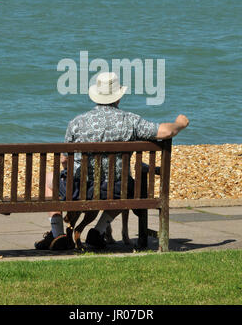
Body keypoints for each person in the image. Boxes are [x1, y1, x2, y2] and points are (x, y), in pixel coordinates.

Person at [35, 72, 189, 250]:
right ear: (118, 97)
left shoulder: (77, 122)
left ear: (96, 96)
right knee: (128, 187)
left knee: (48, 179)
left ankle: (58, 233)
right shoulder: (130, 121)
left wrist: (68, 168)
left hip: (78, 189)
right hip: (116, 189)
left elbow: (64, 160)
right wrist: (180, 123)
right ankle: (98, 231)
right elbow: (166, 132)